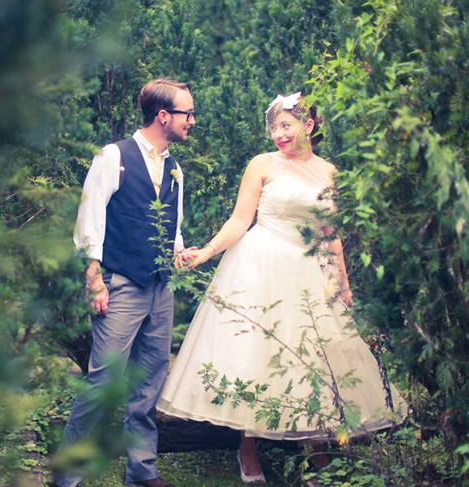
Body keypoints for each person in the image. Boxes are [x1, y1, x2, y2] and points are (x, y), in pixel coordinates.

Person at [157, 92, 405, 484]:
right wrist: (205, 253)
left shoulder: (329, 172)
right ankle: (248, 446)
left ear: (308, 126)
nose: (278, 134)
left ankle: (316, 444)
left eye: (286, 125)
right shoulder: (262, 165)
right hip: (262, 263)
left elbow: (330, 234)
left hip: (312, 269)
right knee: (257, 353)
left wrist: (344, 284)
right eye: (273, 126)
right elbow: (240, 220)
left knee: (317, 355)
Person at [53, 79, 196, 487]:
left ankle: (142, 473)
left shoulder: (175, 169)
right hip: (120, 283)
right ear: (163, 116)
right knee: (103, 380)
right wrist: (94, 277)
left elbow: (174, 225)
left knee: (148, 382)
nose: (192, 121)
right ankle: (67, 477)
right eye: (187, 113)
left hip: (160, 287)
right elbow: (90, 218)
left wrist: (179, 252)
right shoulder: (113, 156)